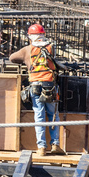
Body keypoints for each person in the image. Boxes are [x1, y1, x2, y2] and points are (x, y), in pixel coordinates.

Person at [9, 23, 63, 156]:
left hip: (35, 86)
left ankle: (41, 148)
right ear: (43, 35)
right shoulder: (51, 47)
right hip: (50, 85)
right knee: (53, 116)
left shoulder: (28, 49)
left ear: (30, 37)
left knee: (39, 116)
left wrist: (26, 62)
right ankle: (55, 144)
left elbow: (12, 58)